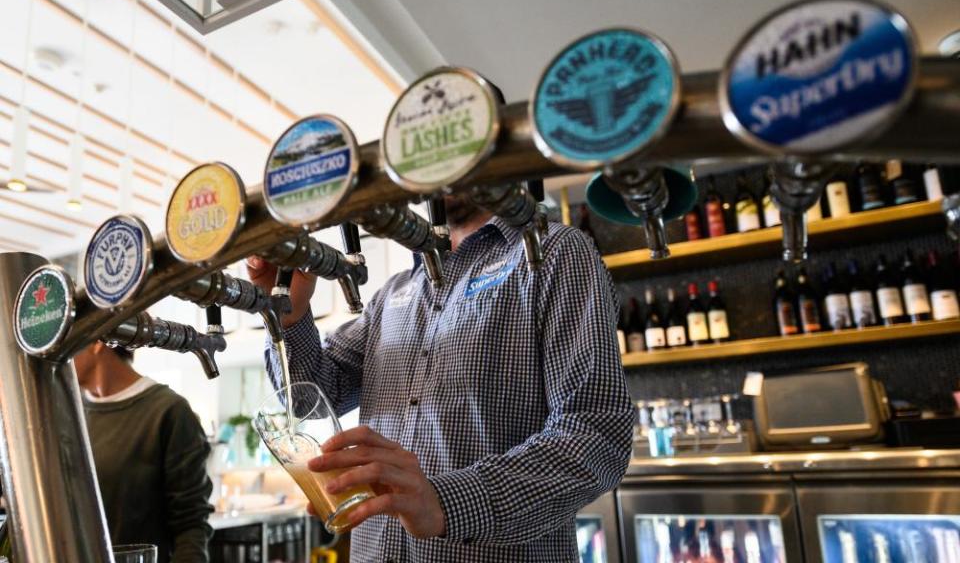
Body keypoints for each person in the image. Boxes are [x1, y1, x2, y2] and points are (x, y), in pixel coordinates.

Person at [247, 194, 633, 562]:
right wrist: (289, 313)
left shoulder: (551, 251)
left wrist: (446, 501)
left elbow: (596, 434)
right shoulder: (393, 294)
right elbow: (311, 396)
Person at [74, 341, 214, 563]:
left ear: (97, 342)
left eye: (66, 338)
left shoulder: (168, 411)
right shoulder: (66, 410)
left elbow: (190, 525)